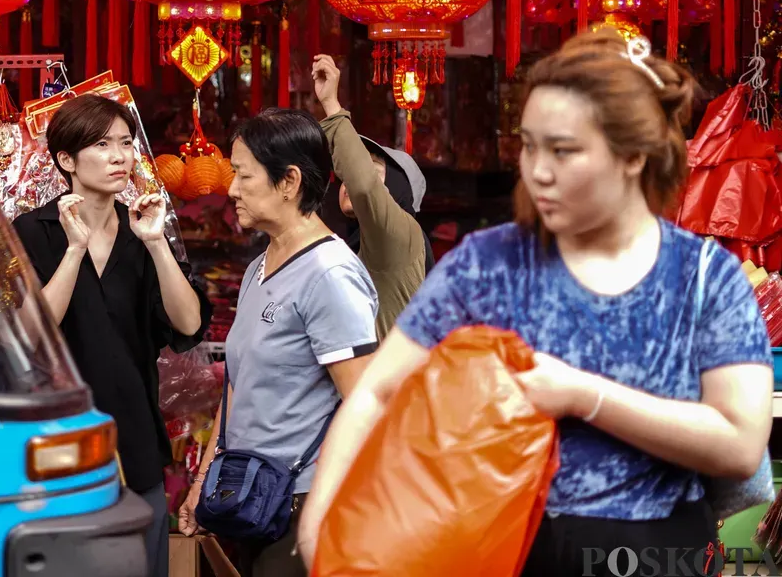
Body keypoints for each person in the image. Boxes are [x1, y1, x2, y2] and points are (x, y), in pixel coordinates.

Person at [299, 29, 773, 575]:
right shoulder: (488, 264)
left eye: (563, 150)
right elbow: (377, 392)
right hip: (506, 544)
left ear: (632, 158)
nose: (538, 171)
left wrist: (583, 396)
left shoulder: (703, 277)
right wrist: (316, 528)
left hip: (658, 551)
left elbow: (740, 442)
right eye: (530, 146)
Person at [12, 94, 212, 577]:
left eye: (125, 143)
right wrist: (74, 250)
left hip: (134, 441)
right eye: (102, 145)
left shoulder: (142, 230)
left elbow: (188, 324)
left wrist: (156, 244)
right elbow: (29, 334)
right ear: (67, 160)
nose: (119, 156)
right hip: (56, 445)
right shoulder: (33, 230)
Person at [176, 108, 379, 577]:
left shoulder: (330, 275)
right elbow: (236, 385)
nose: (231, 190)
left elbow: (364, 406)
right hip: (248, 494)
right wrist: (204, 479)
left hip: (302, 504)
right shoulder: (259, 266)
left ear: (289, 182)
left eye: (243, 175)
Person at [312, 54, 430, 337]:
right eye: (345, 176)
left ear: (399, 190)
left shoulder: (401, 234)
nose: (349, 182)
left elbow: (364, 186)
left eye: (373, 170)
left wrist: (331, 105)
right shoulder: (352, 242)